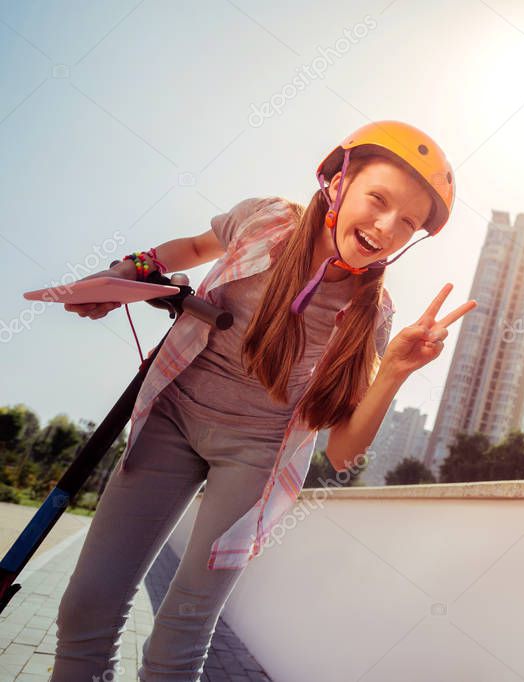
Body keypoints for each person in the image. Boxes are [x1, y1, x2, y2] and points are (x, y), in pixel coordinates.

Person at [50, 121, 475, 681]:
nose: (387, 227)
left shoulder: (373, 315)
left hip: (254, 456)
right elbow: (196, 248)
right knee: (87, 606)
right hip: (175, 416)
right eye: (378, 199)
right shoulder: (267, 220)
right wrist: (130, 271)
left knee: (179, 640)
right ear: (338, 180)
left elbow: (344, 450)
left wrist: (393, 368)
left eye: (409, 223)